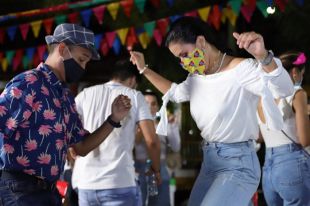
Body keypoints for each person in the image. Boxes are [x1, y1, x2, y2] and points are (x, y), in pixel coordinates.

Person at [129, 16, 294, 206]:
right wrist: (143, 69)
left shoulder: (241, 69)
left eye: (184, 54)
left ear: (200, 41)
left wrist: (263, 56)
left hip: (238, 163)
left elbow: (284, 89)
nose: (183, 62)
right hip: (210, 163)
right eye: (179, 59)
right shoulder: (196, 78)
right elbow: (174, 92)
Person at [0, 23, 131, 206]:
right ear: (62, 49)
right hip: (18, 188)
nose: (84, 67)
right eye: (82, 59)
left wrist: (113, 119)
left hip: (49, 191)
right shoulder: (28, 83)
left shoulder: (65, 96)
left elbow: (81, 147)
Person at [71, 59, 161, 206]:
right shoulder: (135, 96)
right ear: (132, 80)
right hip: (119, 182)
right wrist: (156, 170)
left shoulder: (84, 95)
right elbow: (152, 141)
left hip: (85, 182)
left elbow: (70, 133)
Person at [257, 51, 310, 205]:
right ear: (294, 72)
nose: (301, 77)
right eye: (302, 74)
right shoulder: (297, 92)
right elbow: (304, 139)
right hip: (293, 165)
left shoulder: (262, 98)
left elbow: (259, 136)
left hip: (268, 169)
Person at [135, 90, 181, 206]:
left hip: (161, 167)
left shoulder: (164, 125)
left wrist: (172, 127)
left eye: (153, 104)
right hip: (140, 169)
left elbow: (176, 147)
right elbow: (134, 142)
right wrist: (143, 125)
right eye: (146, 104)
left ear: (158, 107)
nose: (150, 107)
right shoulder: (134, 125)